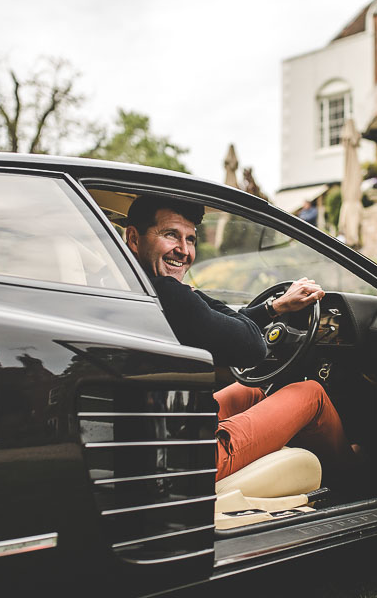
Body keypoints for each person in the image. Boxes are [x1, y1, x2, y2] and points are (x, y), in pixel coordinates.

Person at [123, 195, 357, 486]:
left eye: (190, 239)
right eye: (171, 235)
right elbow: (252, 347)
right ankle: (354, 480)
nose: (183, 251)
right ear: (134, 239)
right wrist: (194, 298)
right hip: (189, 457)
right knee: (312, 394)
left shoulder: (130, 286)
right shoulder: (166, 293)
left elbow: (217, 320)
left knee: (254, 391)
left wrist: (275, 307)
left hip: (156, 434)